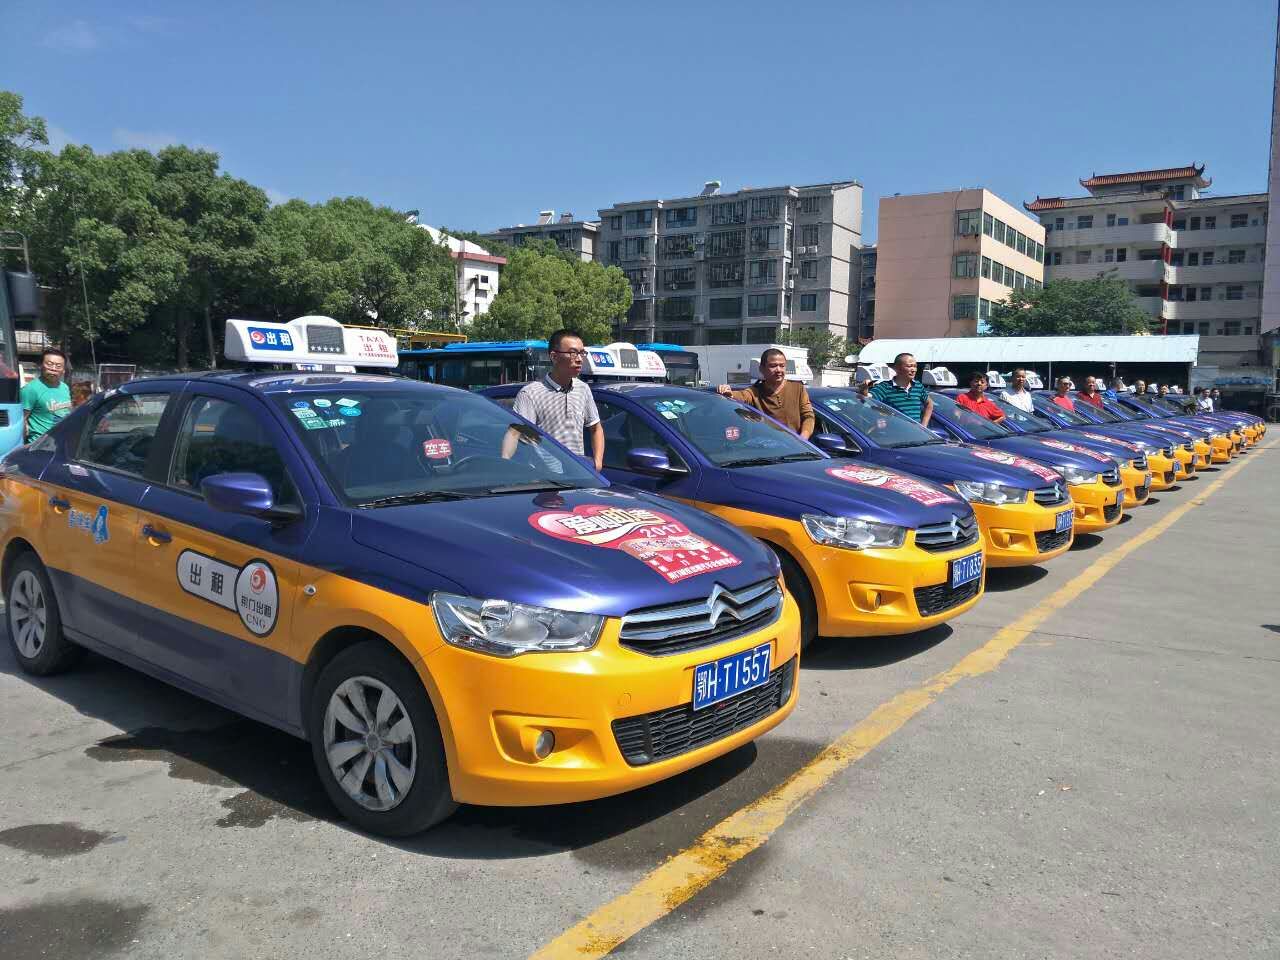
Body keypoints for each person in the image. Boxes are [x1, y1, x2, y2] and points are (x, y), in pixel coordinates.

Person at [502, 329, 604, 470]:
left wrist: (598, 463)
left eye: (582, 353)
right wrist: (505, 466)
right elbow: (514, 434)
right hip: (544, 477)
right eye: (573, 353)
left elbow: (596, 428)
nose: (580, 359)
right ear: (554, 357)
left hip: (577, 475)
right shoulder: (530, 394)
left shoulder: (583, 389)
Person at [717, 348, 815, 437]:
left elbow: (808, 416)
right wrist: (729, 393)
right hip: (767, 447)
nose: (778, 370)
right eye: (773, 366)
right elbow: (741, 395)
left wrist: (803, 437)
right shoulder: (755, 392)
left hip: (797, 447)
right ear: (762, 369)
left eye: (782, 366)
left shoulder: (798, 388)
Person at [21, 348, 72, 443]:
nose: (53, 368)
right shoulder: (30, 389)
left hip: (62, 443)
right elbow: (21, 420)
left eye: (58, 366)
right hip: (40, 445)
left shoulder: (65, 387)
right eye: (49, 364)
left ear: (63, 370)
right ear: (41, 365)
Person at [870, 352, 934, 425]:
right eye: (909, 366)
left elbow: (929, 403)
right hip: (895, 431)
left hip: (915, 432)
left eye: (915, 366)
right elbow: (867, 400)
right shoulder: (885, 386)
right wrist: (880, 417)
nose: (914, 369)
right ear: (897, 368)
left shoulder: (918, 386)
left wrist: (924, 426)